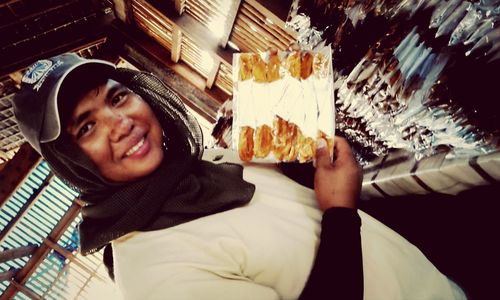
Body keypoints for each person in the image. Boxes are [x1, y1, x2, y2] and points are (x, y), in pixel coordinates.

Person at [13, 53, 466, 300]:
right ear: (71, 162)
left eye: (117, 98)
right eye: (86, 127)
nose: (120, 123)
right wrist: (341, 211)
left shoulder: (211, 162)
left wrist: (301, 127)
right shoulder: (150, 274)